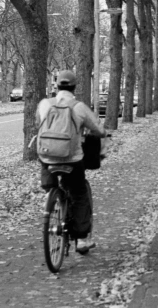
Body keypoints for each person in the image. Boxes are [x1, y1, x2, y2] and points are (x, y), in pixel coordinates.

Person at [37, 70, 109, 254]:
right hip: (72, 159)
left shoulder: (45, 104)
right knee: (79, 193)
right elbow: (98, 129)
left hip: (46, 156)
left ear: (56, 86)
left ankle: (51, 198)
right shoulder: (79, 107)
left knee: (50, 181)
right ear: (74, 87)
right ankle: (82, 239)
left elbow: (39, 123)